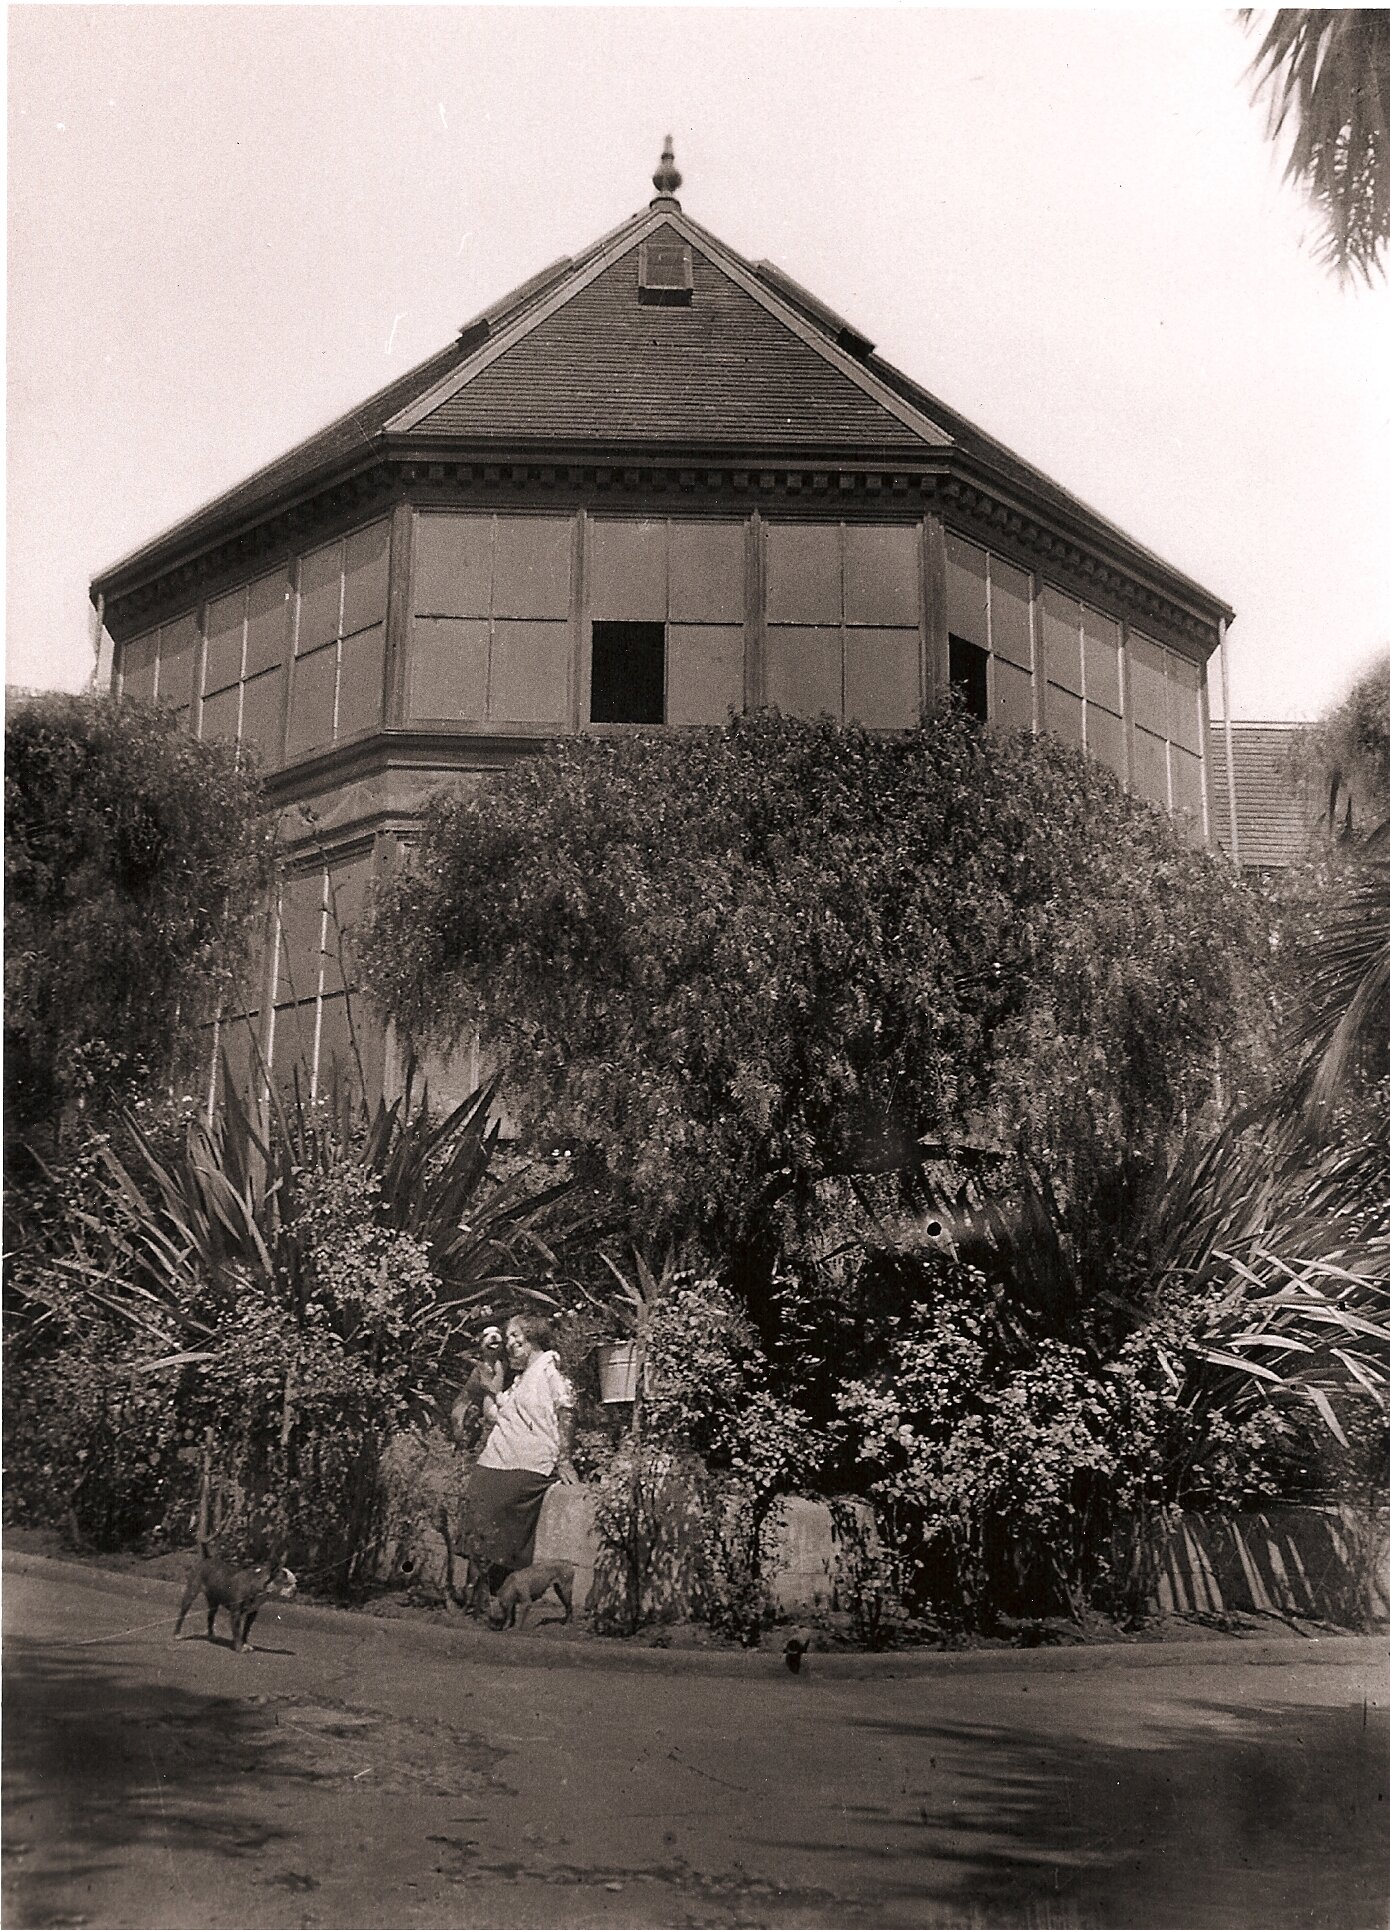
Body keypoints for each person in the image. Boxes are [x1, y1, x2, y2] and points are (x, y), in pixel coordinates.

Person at [462, 1313, 578, 1593]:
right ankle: (473, 1591)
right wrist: (489, 1387)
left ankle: (496, 1593)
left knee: (503, 1505)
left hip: (529, 1460)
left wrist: (564, 1459)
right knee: (476, 1498)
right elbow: (493, 1415)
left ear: (533, 1335)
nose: (510, 1343)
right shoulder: (519, 1381)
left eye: (516, 1335)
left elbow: (567, 1410)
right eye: (508, 1337)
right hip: (496, 1457)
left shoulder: (550, 1370)